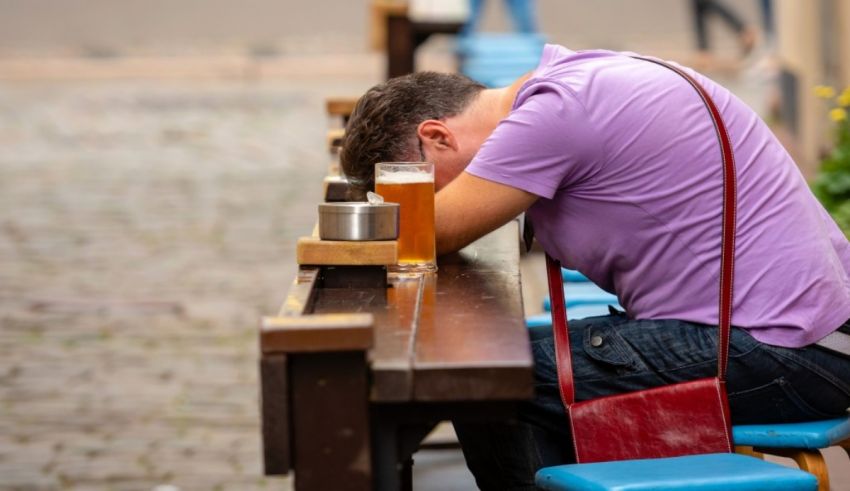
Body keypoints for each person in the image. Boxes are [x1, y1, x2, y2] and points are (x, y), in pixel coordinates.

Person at [340, 45, 850, 490]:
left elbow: (432, 232)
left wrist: (363, 223)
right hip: (803, 337)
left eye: (427, 188)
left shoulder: (555, 112)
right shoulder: (570, 82)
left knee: (489, 382)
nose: (439, 199)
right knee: (499, 359)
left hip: (786, 351)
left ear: (437, 137)